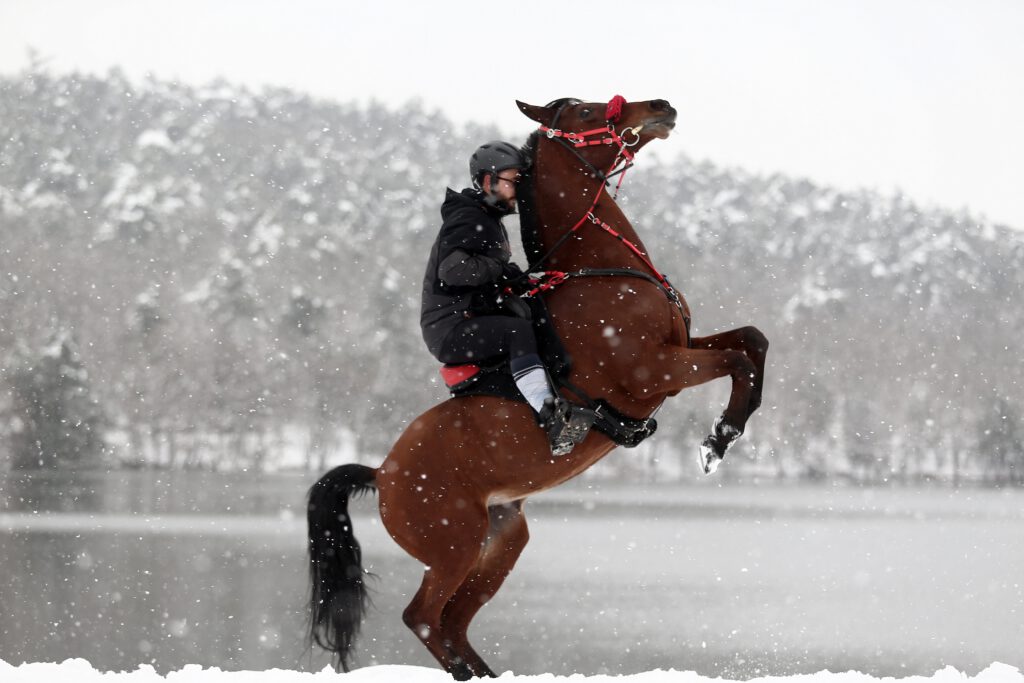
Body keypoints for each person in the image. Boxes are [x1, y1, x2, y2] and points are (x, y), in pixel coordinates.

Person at [420, 141, 589, 456]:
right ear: (488, 181)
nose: (518, 190)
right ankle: (550, 414)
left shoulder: (487, 219)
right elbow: (454, 272)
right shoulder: (469, 217)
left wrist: (525, 280)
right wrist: (501, 269)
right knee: (517, 332)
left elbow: (489, 272)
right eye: (513, 181)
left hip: (468, 320)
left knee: (536, 315)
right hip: (449, 330)